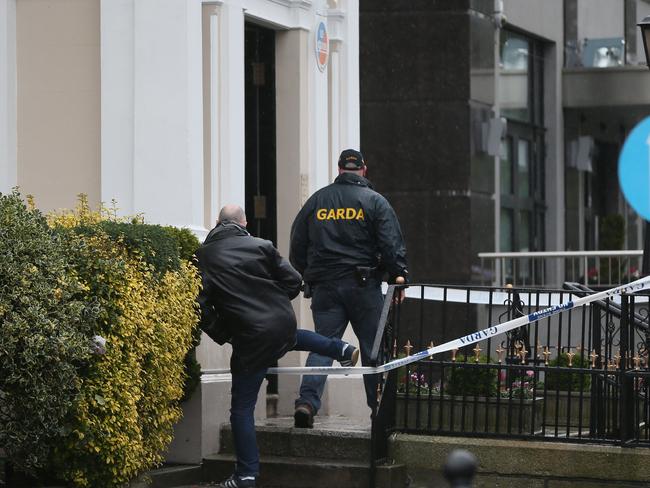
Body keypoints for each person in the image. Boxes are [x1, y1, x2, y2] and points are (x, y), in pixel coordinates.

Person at [195, 204, 359, 488]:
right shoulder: (262, 245)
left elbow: (201, 307)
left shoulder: (202, 257)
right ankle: (341, 349)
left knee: (242, 409)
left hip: (248, 334)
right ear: (244, 223)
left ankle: (246, 475)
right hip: (279, 321)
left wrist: (224, 333)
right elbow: (294, 280)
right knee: (293, 337)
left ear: (217, 223)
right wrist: (273, 300)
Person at [290, 148, 409, 428]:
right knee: (373, 350)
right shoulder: (375, 202)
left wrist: (310, 275)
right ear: (364, 170)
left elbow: (297, 244)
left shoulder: (317, 200)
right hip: (363, 287)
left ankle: (307, 403)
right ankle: (378, 410)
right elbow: (391, 244)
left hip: (325, 288)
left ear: (340, 170)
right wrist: (398, 278)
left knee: (323, 345)